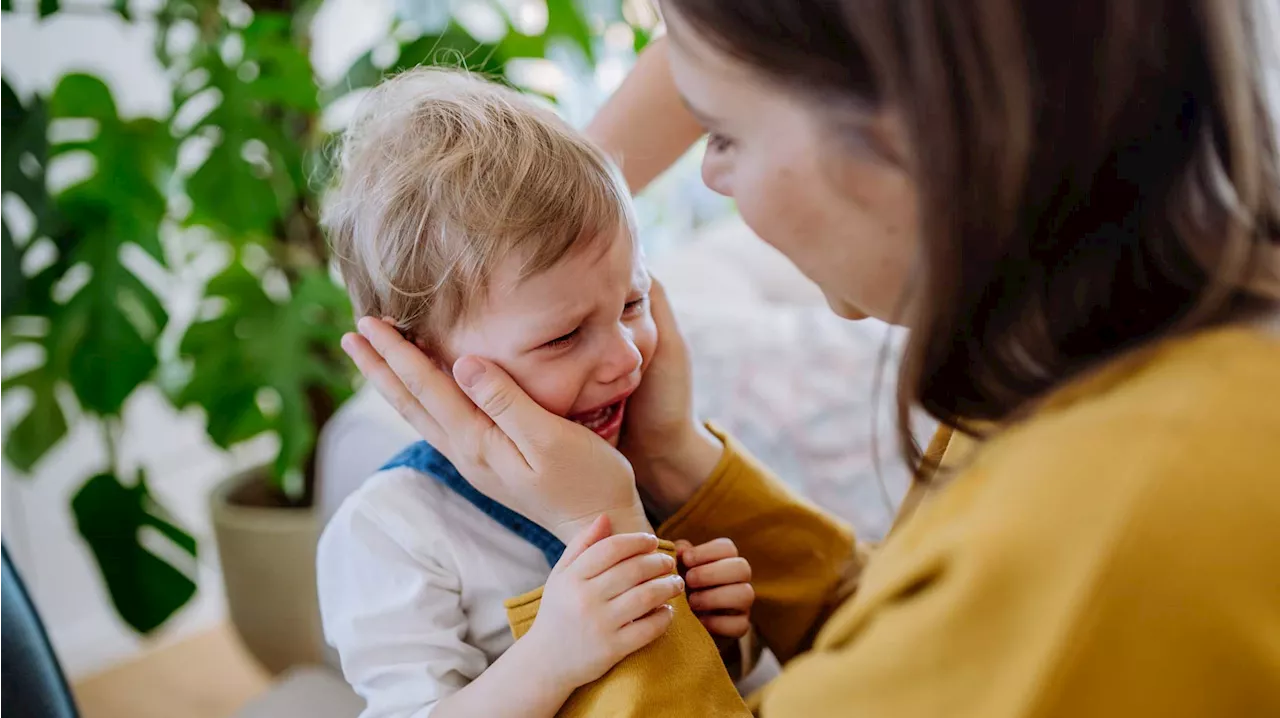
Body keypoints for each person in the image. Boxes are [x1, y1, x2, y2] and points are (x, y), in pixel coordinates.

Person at [341, 1, 1280, 716]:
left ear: (915, 121)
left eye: (725, 131)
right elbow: (899, 643)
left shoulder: (1108, 522)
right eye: (560, 330)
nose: (707, 171)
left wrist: (613, 543)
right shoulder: (1102, 366)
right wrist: (681, 474)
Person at [316, 68, 757, 718]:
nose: (626, 354)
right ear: (420, 362)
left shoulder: (636, 454)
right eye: (563, 336)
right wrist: (549, 658)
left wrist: (722, 637)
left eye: (632, 301)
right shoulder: (394, 531)